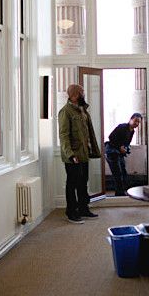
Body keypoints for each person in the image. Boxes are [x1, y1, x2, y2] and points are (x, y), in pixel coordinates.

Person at [58, 84, 101, 223]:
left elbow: (89, 133)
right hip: (73, 156)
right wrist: (71, 154)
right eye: (82, 92)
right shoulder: (65, 112)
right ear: (75, 95)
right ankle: (71, 212)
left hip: (84, 154)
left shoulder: (83, 111)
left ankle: (83, 208)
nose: (84, 94)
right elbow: (64, 135)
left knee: (83, 183)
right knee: (72, 184)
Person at [105, 113, 142, 196]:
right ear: (130, 119)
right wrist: (119, 147)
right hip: (112, 152)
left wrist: (125, 149)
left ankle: (121, 192)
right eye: (135, 121)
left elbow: (126, 143)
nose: (136, 123)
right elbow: (111, 137)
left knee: (123, 172)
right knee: (117, 173)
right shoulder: (122, 127)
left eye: (138, 122)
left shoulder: (132, 131)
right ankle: (120, 193)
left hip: (119, 153)